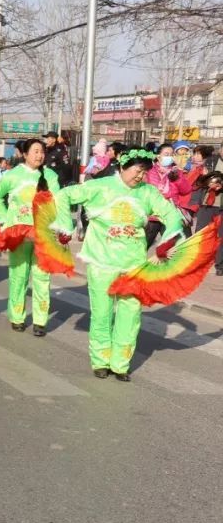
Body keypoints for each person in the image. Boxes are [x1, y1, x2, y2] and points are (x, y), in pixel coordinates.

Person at [52, 150, 185, 381]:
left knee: (131, 314)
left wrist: (168, 240)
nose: (140, 175)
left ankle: (121, 364)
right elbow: (63, 196)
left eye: (144, 171)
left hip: (134, 264)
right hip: (102, 262)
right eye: (136, 170)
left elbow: (171, 214)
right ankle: (101, 361)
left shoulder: (148, 192)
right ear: (123, 167)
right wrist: (66, 226)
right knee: (102, 313)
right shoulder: (100, 186)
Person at [0, 138, 60, 336]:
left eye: (42, 151)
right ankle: (17, 317)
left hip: (42, 234)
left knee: (41, 278)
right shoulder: (13, 175)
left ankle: (40, 321)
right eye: (35, 151)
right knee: (19, 276)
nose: (39, 155)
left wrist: (58, 225)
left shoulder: (50, 175)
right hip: (18, 234)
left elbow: (59, 201)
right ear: (25, 154)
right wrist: (3, 217)